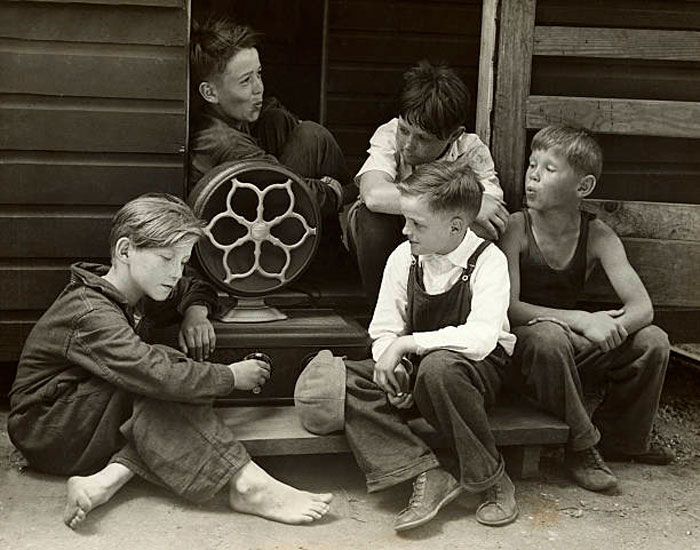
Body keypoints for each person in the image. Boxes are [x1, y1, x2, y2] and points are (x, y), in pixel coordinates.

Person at [7, 193, 332, 529]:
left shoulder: (138, 289)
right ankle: (248, 484)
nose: (176, 272)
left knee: (162, 387)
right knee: (162, 372)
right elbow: (155, 373)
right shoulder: (89, 311)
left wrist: (195, 312)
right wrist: (230, 377)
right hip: (47, 430)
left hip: (84, 420)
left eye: (182, 261)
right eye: (167, 259)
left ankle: (103, 482)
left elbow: (196, 286)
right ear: (124, 251)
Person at [344, 160, 518, 532]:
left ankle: (490, 478)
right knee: (344, 379)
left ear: (456, 225)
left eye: (417, 223)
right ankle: (426, 472)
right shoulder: (404, 257)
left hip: (473, 374)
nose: (406, 230)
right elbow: (384, 329)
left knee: (440, 367)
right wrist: (395, 368)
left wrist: (410, 344)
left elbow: (482, 337)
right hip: (420, 370)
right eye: (405, 220)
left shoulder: (489, 261)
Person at [499, 125, 673, 493]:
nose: (533, 175)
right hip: (525, 349)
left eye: (549, 169)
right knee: (547, 337)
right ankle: (581, 447)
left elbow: (643, 308)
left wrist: (610, 328)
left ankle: (621, 440)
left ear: (583, 187)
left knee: (653, 342)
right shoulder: (517, 229)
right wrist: (582, 320)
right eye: (532, 164)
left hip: (571, 345)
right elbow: (510, 309)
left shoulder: (598, 235)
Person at [189, 15, 356, 267]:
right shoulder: (223, 142)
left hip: (257, 225)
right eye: (246, 81)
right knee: (313, 135)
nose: (259, 88)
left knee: (283, 121)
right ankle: (331, 254)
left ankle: (330, 249)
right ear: (210, 92)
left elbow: (276, 114)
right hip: (244, 257)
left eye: (259, 74)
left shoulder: (228, 117)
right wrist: (340, 192)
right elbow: (290, 190)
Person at [348, 60, 509, 304]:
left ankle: (434, 312)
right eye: (405, 130)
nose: (408, 144)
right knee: (372, 218)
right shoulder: (389, 133)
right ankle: (382, 314)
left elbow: (491, 222)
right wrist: (468, 206)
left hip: (437, 251)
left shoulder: (471, 151)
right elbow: (373, 195)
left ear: (453, 135)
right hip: (389, 238)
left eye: (423, 138)